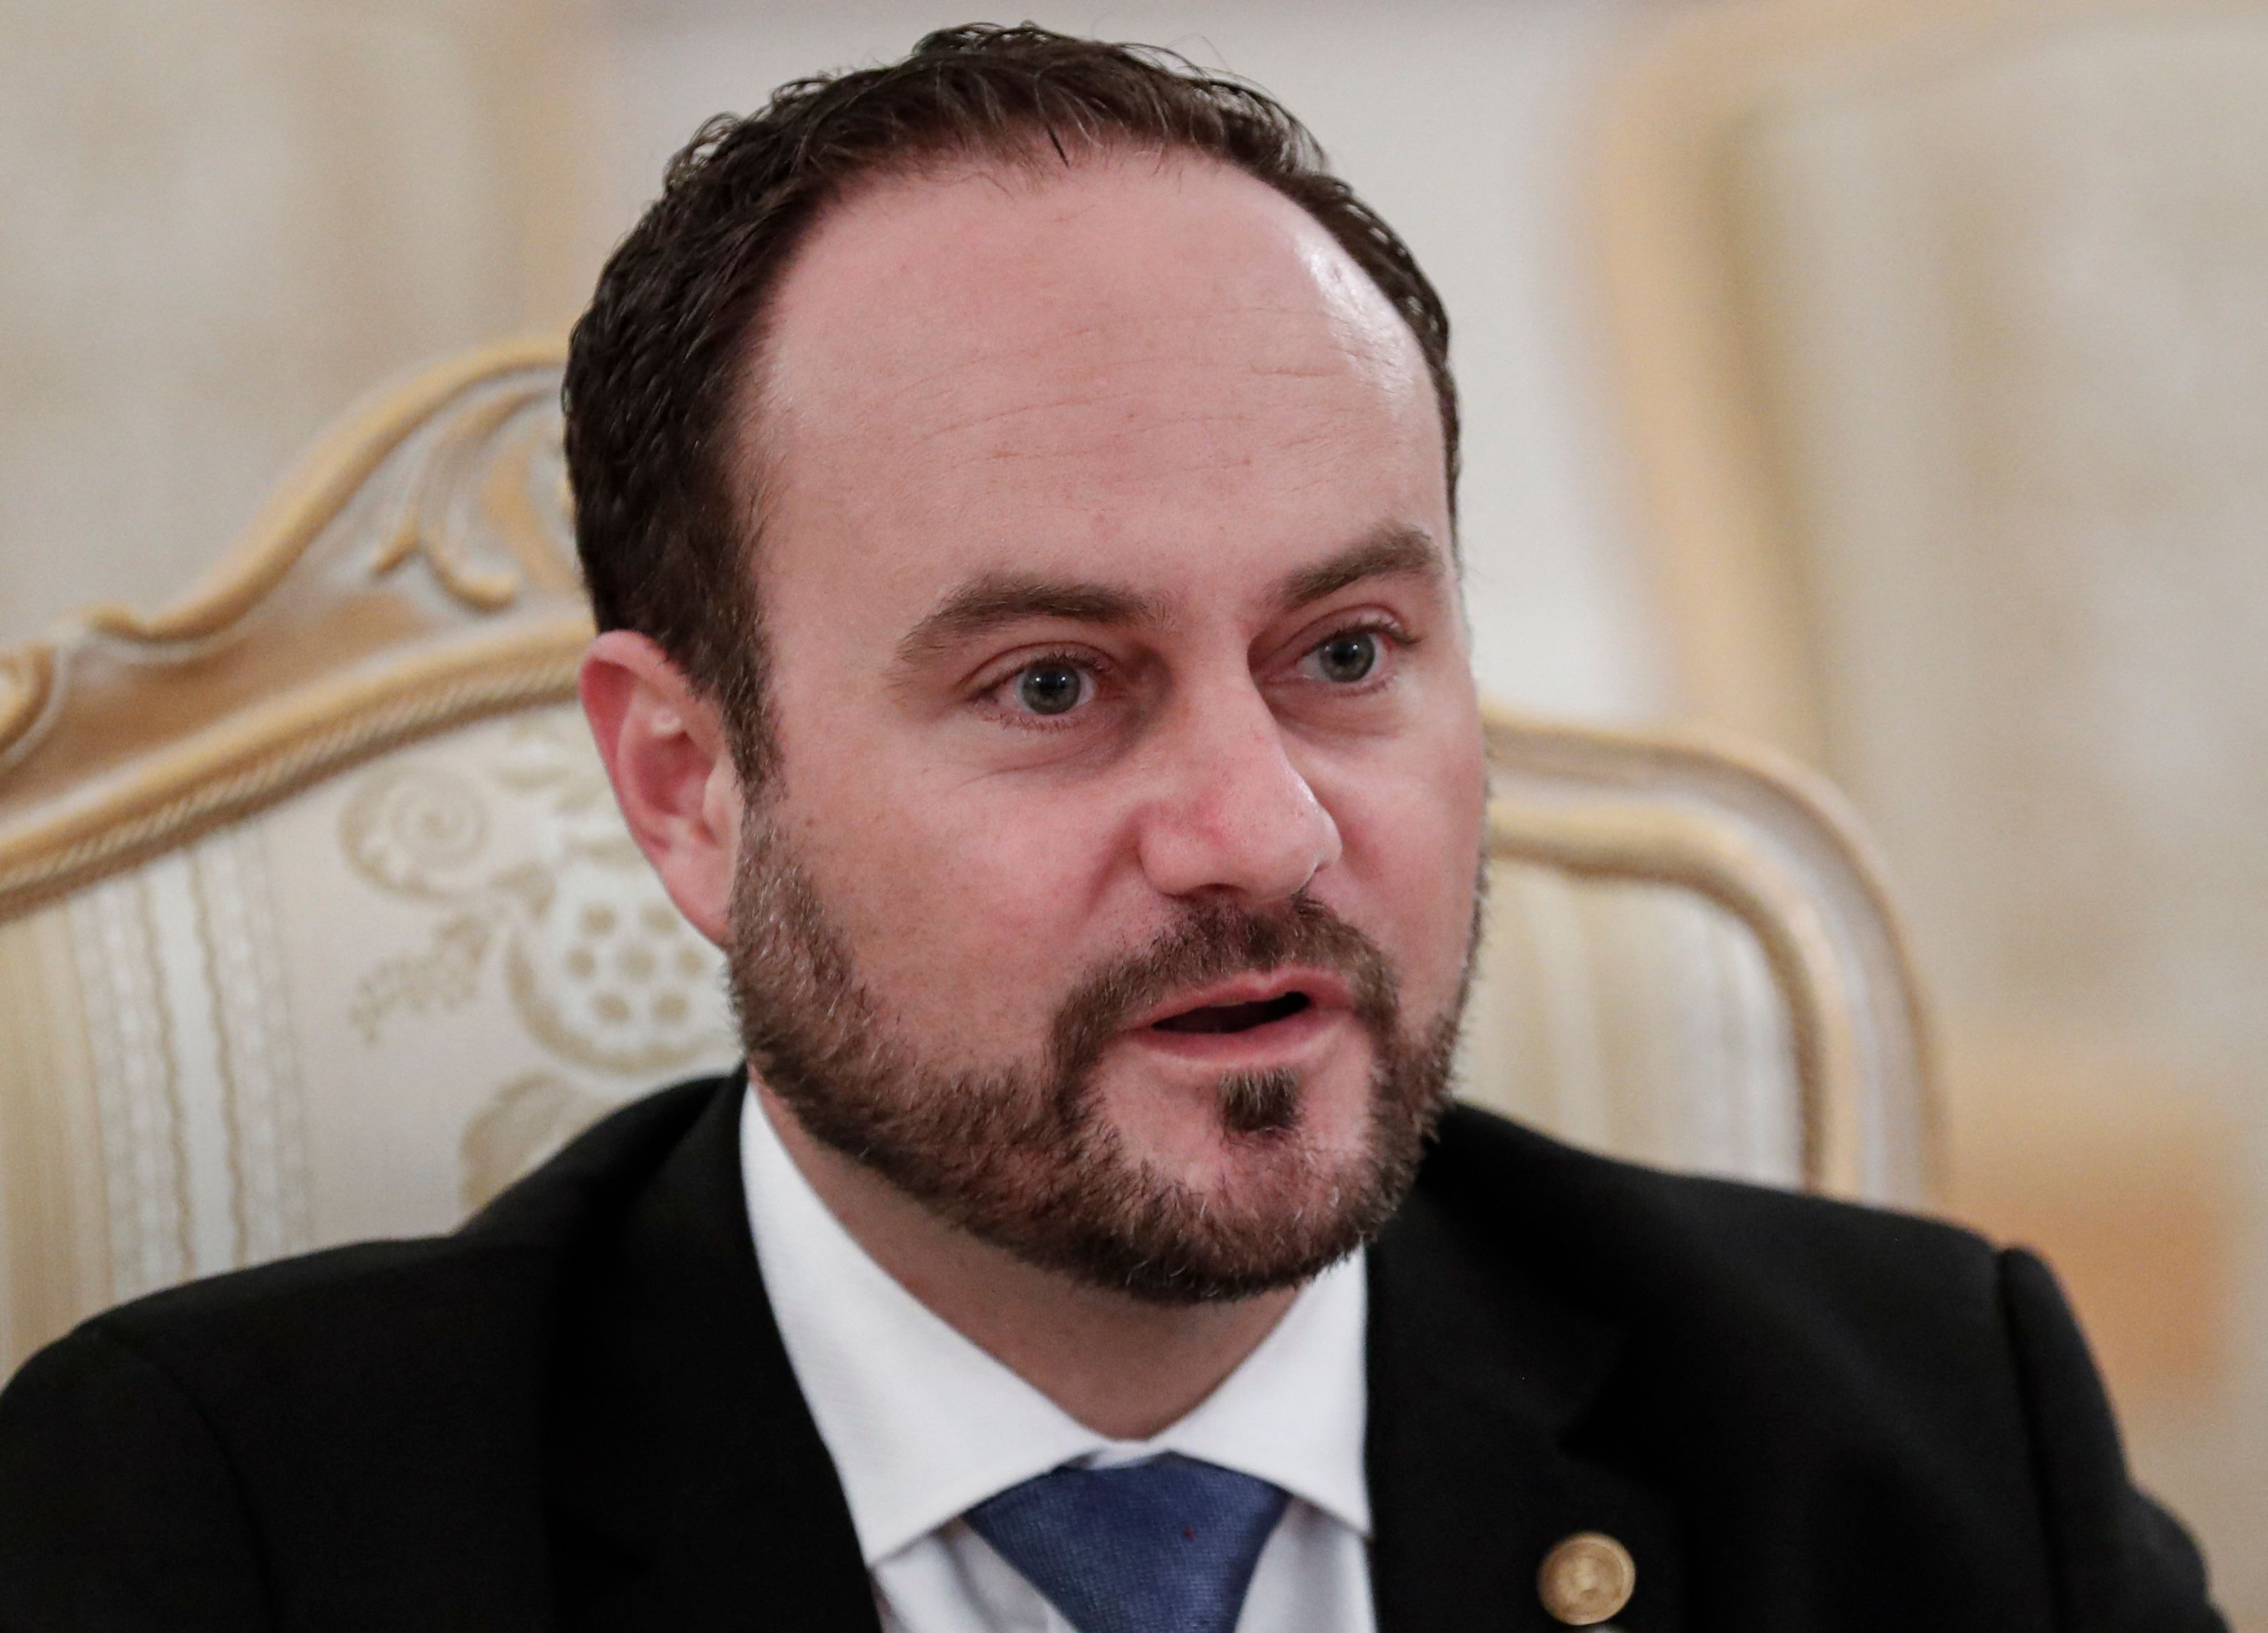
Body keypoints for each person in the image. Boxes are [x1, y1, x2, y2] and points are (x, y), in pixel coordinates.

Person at [0, 25, 2223, 1633]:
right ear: (689, 783)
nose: (1260, 830)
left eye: (1346, 651)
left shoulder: (1931, 1444)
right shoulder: (228, 1523)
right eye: (1052, 684)